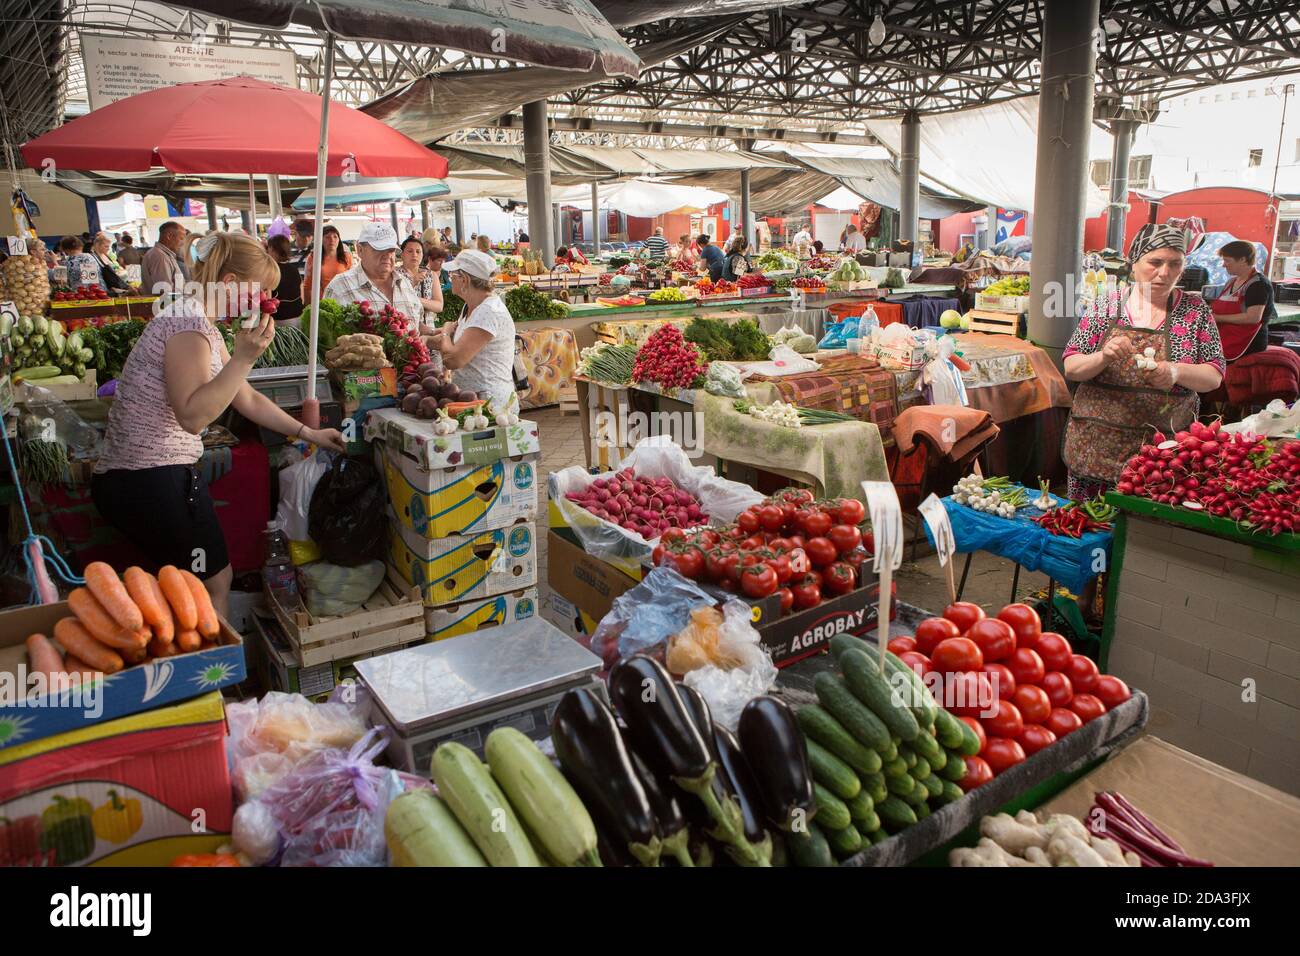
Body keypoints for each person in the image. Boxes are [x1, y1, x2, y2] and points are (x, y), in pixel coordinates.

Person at [91, 232, 344, 617]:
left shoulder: (198, 322)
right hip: (147, 478)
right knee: (208, 582)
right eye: (259, 292)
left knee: (203, 581)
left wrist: (308, 433)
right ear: (229, 284)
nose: (263, 304)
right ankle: (213, 673)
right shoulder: (188, 329)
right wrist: (243, 358)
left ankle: (208, 666)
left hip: (151, 477)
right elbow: (193, 417)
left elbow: (246, 398)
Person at [1062, 223, 1225, 500]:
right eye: (1155, 262)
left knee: (1142, 535)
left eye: (1175, 264)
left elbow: (1214, 375)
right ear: (1133, 264)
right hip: (1096, 445)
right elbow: (1072, 367)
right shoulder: (1106, 306)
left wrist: (1175, 371)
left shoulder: (1195, 312)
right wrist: (1103, 357)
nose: (1165, 272)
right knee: (1091, 524)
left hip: (1161, 457)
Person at [427, 250, 517, 411]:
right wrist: (426, 338)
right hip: (473, 400)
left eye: (453, 274)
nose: (450, 278)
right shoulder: (471, 307)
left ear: (465, 280)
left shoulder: (488, 312)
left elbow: (453, 360)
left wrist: (446, 330)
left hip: (490, 404)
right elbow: (458, 338)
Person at [324, 221, 422, 321]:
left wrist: (431, 333)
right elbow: (326, 332)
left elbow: (417, 324)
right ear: (360, 250)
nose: (387, 255)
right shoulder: (339, 287)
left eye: (391, 250)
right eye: (379, 249)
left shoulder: (404, 283)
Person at [1211, 239, 1274, 363]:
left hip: (1248, 341)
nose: (1224, 265)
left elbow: (1253, 317)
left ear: (1243, 260)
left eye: (1227, 260)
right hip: (1227, 336)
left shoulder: (1258, 284)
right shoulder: (1231, 282)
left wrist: (1218, 318)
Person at [397, 234, 444, 328]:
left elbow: (439, 306)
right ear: (402, 254)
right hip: (404, 328)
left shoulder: (431, 275)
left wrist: (416, 299)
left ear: (423, 255)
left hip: (428, 328)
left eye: (418, 251)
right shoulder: (395, 274)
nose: (414, 255)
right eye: (410, 251)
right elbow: (396, 301)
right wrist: (413, 283)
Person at [301, 225, 353, 306]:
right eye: (327, 237)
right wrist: (309, 306)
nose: (332, 240)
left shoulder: (347, 257)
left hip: (343, 301)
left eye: (335, 237)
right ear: (321, 240)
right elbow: (307, 285)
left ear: (339, 240)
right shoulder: (313, 257)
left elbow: (351, 281)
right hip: (321, 303)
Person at [142, 222, 190, 296]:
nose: (182, 243)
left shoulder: (163, 254)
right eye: (181, 239)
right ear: (169, 236)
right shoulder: (160, 256)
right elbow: (165, 290)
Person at [266, 235, 304, 323]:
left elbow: (268, 298)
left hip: (278, 318)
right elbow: (301, 293)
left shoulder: (272, 271)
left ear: (272, 248)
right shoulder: (294, 269)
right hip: (297, 316)